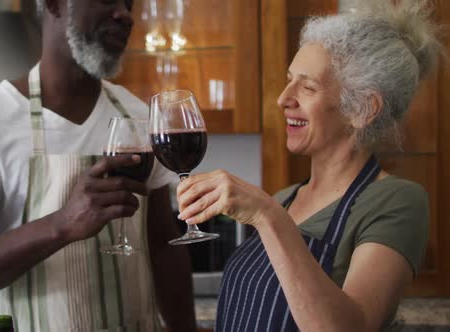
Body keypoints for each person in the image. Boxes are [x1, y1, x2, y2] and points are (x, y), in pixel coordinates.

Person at [176, 0, 444, 331]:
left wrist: (267, 215)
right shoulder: (285, 198)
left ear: (362, 109)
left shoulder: (398, 201)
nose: (283, 98)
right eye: (290, 80)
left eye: (307, 87)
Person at [0, 0, 197, 331]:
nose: (126, 15)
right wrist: (63, 224)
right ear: (54, 4)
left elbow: (162, 248)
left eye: (129, 3)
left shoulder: (139, 119)